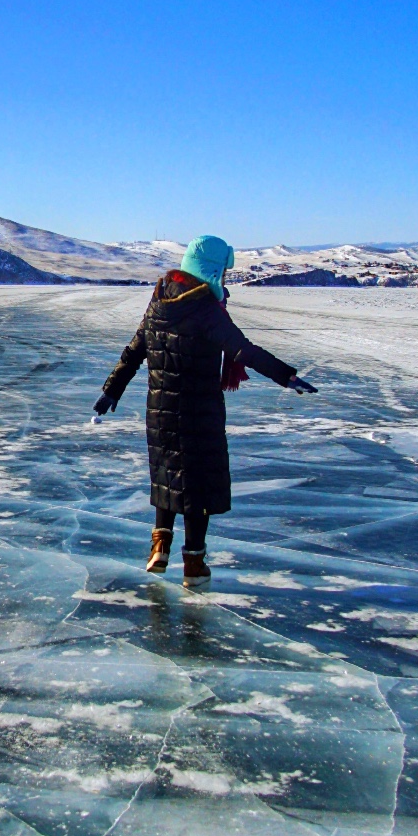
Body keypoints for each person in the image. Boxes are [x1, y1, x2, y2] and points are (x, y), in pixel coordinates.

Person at [94, 234, 317, 583]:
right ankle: (194, 565)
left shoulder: (159, 302)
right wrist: (285, 376)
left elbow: (134, 350)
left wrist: (111, 392)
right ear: (212, 271)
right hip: (200, 412)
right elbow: (244, 350)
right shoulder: (207, 311)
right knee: (198, 488)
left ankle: (159, 547)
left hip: (160, 411)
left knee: (168, 477)